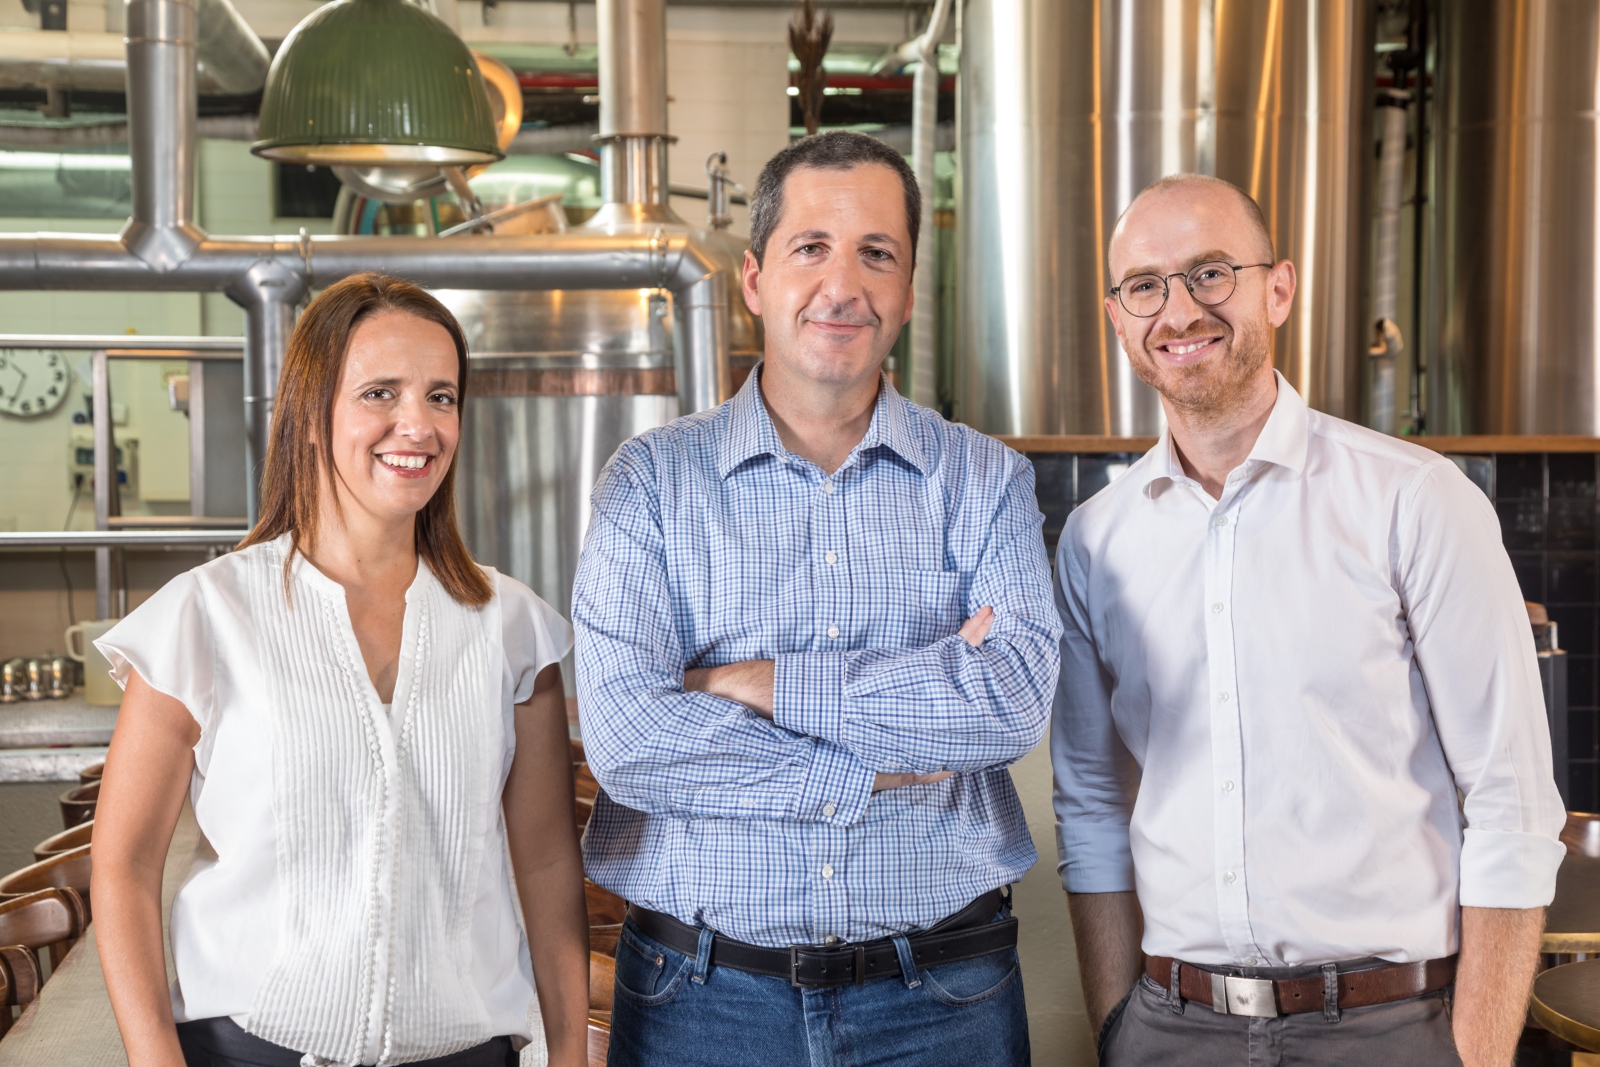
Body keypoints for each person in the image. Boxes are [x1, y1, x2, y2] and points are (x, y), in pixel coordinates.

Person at [1052, 173, 1567, 1067]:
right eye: (1145, 285)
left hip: (1392, 1028)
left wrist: (1475, 1054)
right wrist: (1115, 1025)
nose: (1178, 310)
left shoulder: (1415, 500)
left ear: (1278, 288)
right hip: (1172, 1028)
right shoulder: (1098, 539)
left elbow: (1512, 805)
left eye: (1211, 273)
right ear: (1117, 315)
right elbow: (1093, 804)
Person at [570, 130, 1061, 1066]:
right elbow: (632, 741)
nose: (843, 286)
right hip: (700, 998)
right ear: (753, 278)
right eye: (811, 249)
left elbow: (1006, 703)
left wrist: (754, 684)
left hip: (943, 1000)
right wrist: (873, 764)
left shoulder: (986, 480)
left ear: (909, 291)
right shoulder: (651, 483)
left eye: (877, 254)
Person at [91, 273, 590, 1067]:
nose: (417, 425)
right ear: (313, 416)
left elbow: (546, 859)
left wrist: (570, 1053)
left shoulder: (513, 626)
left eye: (441, 396)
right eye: (380, 393)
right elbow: (123, 864)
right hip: (244, 1049)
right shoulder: (207, 614)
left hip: (465, 1051)